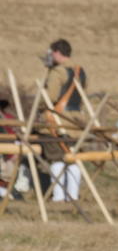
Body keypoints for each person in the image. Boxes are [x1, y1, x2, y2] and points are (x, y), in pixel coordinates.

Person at [40, 39, 87, 202]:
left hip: (57, 120)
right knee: (73, 159)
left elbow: (50, 97)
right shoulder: (81, 72)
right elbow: (82, 96)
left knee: (56, 157)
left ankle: (59, 197)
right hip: (76, 122)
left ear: (58, 53)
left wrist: (38, 104)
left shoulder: (57, 72)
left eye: (52, 53)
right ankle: (72, 196)